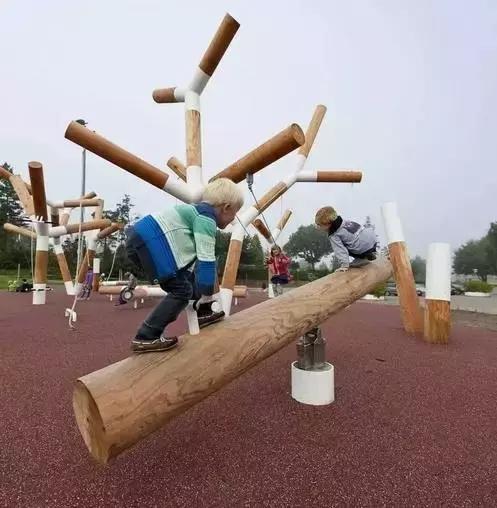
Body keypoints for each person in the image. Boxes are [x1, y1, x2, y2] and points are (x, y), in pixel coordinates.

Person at [126, 178, 244, 353]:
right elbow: (206, 258)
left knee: (187, 278)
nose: (233, 219)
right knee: (182, 291)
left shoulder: (194, 212)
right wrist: (207, 290)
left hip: (142, 238)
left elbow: (189, 260)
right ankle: (146, 336)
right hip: (151, 241)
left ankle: (203, 312)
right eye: (235, 213)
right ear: (226, 207)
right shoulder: (206, 219)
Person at [315, 206, 377, 272]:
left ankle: (361, 259)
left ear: (328, 224)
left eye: (319, 225)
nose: (317, 227)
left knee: (343, 244)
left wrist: (344, 265)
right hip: (372, 238)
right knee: (352, 239)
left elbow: (340, 250)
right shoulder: (344, 222)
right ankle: (369, 255)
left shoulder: (334, 235)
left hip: (362, 246)